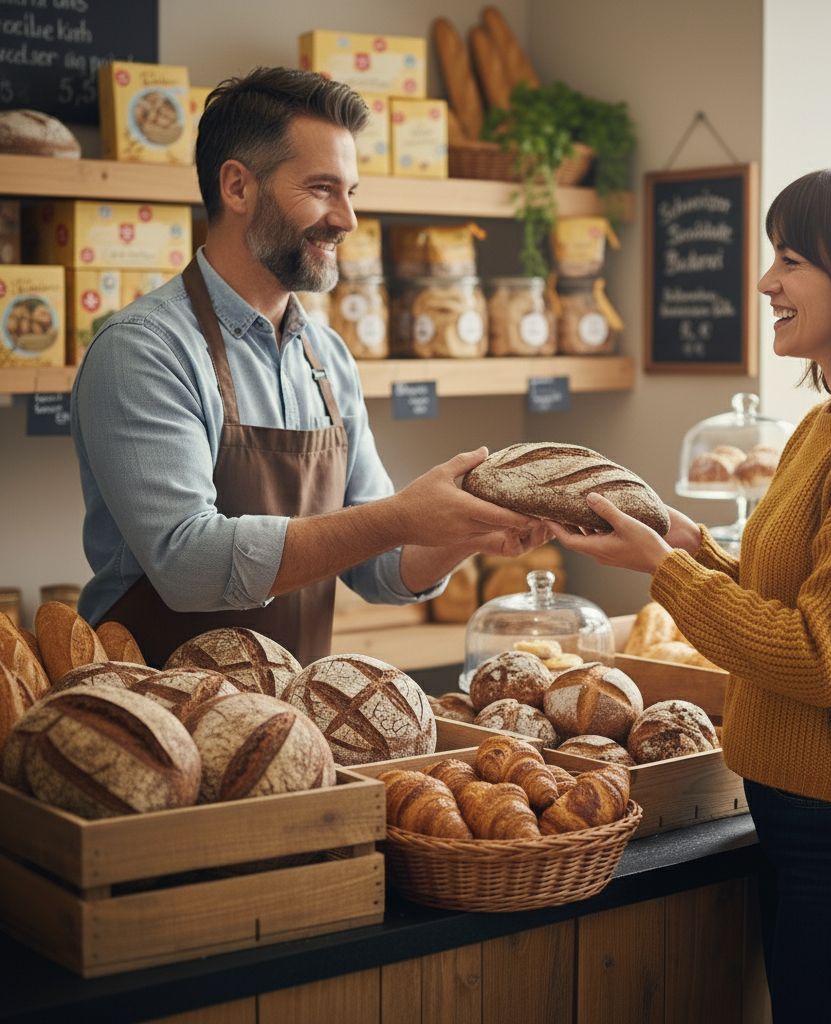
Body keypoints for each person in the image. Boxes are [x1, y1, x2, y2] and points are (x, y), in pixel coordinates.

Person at [546, 165, 831, 1023]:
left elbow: (820, 658)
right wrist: (687, 543)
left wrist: (662, 573)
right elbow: (792, 596)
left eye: (790, 260)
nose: (764, 283)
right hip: (805, 809)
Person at [71, 66, 547, 667]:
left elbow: (379, 567)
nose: (346, 219)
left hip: (288, 720)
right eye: (322, 189)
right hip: (152, 719)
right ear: (238, 188)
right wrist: (400, 516)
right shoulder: (144, 349)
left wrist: (461, 534)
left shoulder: (327, 357)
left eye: (351, 193)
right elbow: (187, 564)